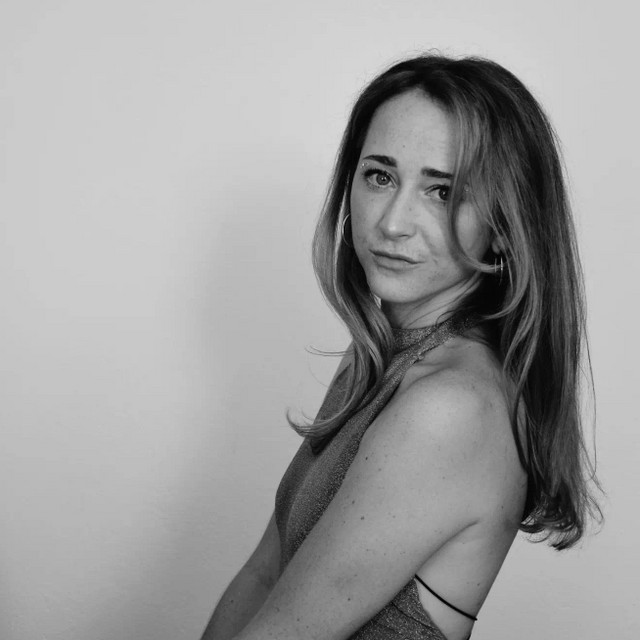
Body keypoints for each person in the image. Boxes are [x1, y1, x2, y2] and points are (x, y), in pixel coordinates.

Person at [201, 53, 601, 640]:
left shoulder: (449, 407)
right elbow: (267, 573)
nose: (392, 223)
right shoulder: (379, 352)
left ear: (503, 226)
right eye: (380, 176)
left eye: (442, 191)